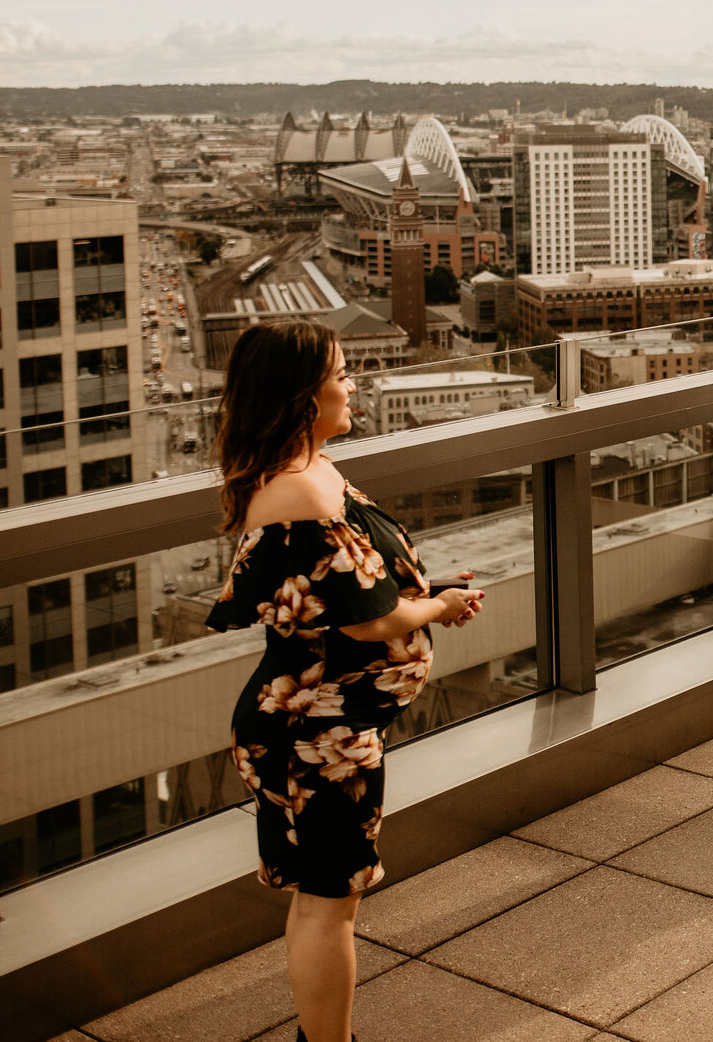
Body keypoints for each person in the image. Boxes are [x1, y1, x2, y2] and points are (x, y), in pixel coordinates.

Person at [205, 319, 486, 1042]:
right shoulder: (300, 491)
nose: (352, 384)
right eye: (339, 374)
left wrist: (431, 594)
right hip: (312, 735)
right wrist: (437, 607)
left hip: (324, 727)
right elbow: (371, 622)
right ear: (304, 397)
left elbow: (352, 594)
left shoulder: (316, 471)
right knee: (328, 905)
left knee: (325, 899)